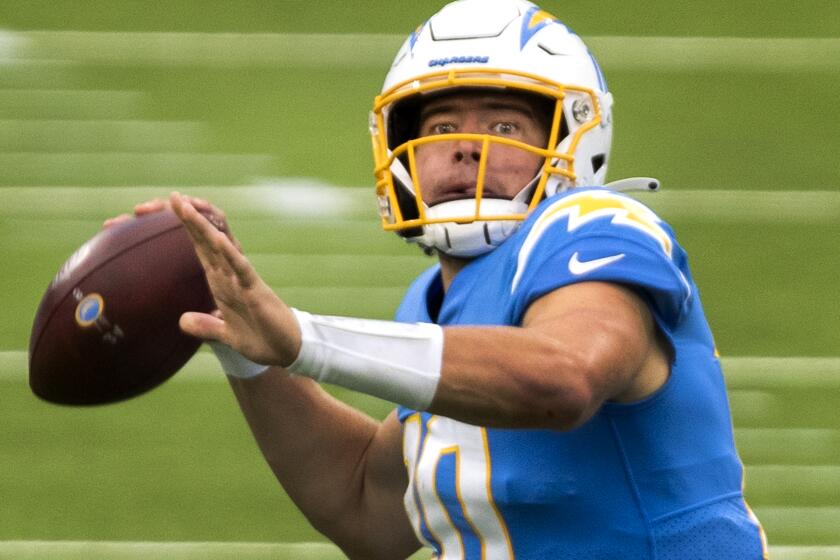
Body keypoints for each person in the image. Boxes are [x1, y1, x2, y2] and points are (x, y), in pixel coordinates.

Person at [120, 1, 769, 557]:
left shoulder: (596, 226)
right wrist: (240, 345)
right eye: (441, 126)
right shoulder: (435, 303)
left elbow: (565, 376)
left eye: (503, 124)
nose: (466, 144)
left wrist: (301, 337)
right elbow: (365, 507)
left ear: (577, 136)